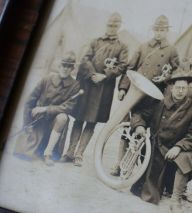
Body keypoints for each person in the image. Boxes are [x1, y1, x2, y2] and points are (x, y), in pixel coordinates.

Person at [110, 14, 180, 176]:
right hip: (135, 96)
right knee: (125, 131)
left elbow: (178, 71)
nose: (159, 33)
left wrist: (166, 78)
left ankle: (133, 167)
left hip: (153, 99)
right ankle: (118, 164)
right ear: (153, 30)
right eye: (157, 29)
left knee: (142, 133)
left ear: (166, 32)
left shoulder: (171, 50)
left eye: (162, 30)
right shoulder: (143, 46)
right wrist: (123, 88)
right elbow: (131, 68)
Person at [130, 72, 192, 213]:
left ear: (188, 89)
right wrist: (139, 125)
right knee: (147, 191)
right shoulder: (159, 102)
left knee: (186, 158)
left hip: (176, 148)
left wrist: (178, 147)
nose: (181, 91)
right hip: (156, 145)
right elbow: (139, 114)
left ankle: (175, 197)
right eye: (178, 88)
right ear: (171, 88)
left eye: (184, 88)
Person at [61, 12, 128, 166]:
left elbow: (123, 66)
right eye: (110, 25)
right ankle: (70, 152)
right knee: (78, 119)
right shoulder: (95, 42)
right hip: (88, 86)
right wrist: (92, 74)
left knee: (91, 123)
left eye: (115, 26)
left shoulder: (122, 47)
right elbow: (85, 58)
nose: (112, 28)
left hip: (103, 89)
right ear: (106, 25)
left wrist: (105, 75)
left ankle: (79, 154)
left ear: (119, 27)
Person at [15, 51, 80, 166]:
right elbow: (29, 101)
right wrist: (27, 123)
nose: (65, 69)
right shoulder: (47, 79)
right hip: (38, 120)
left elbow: (68, 107)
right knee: (24, 153)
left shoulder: (75, 85)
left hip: (54, 123)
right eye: (64, 65)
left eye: (69, 66)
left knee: (63, 117)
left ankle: (48, 153)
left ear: (72, 69)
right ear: (59, 66)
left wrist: (45, 109)